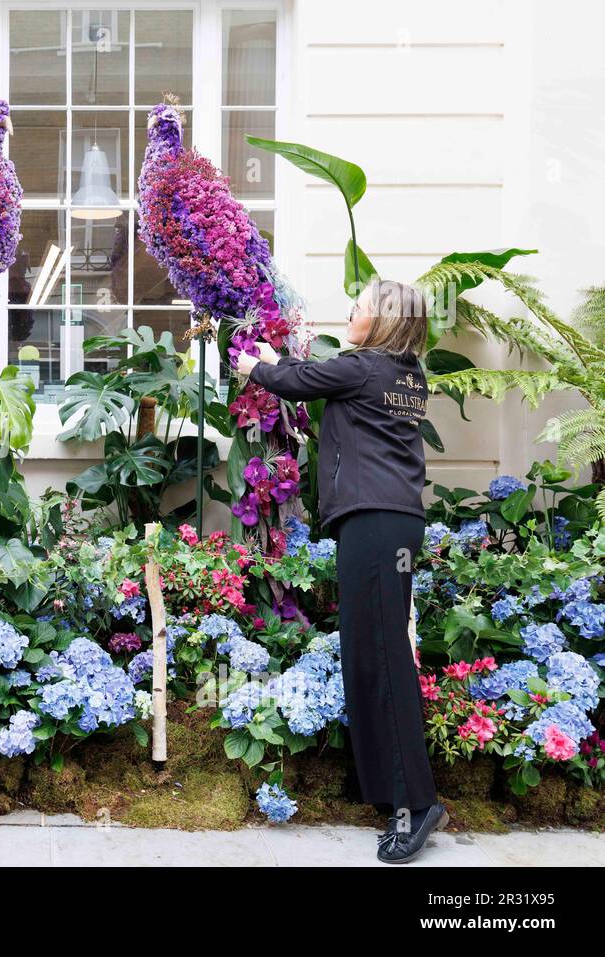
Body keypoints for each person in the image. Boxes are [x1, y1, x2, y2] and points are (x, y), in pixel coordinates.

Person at [236, 278, 449, 864]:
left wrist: (256, 364)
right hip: (390, 522)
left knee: (380, 657)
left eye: (358, 308)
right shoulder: (405, 374)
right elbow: (314, 376)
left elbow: (298, 381)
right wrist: (279, 359)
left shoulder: (363, 368)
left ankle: (417, 805)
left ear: (379, 321)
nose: (349, 315)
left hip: (375, 523)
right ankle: (388, 792)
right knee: (370, 654)